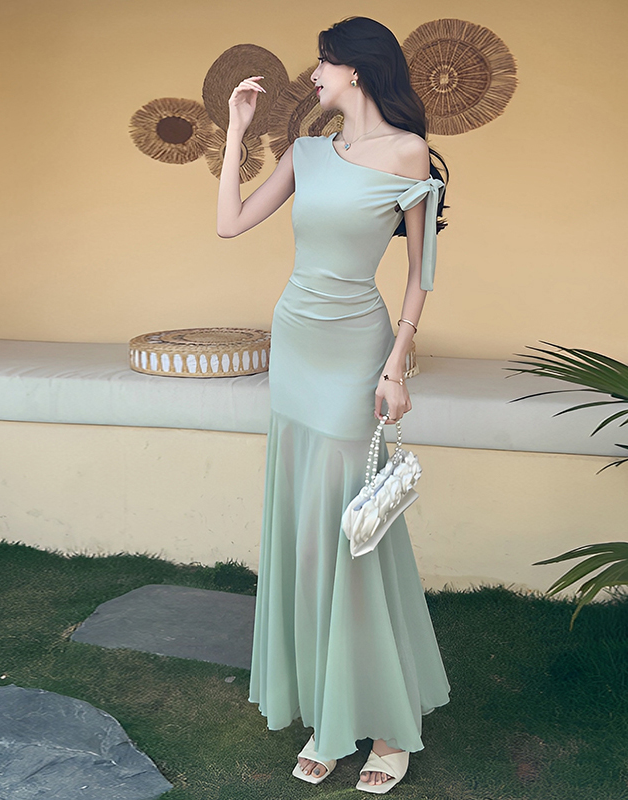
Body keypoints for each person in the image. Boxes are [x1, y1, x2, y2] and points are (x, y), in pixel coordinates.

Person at [216, 16, 450, 794]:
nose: (313, 73)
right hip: (297, 347)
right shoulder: (307, 153)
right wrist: (235, 132)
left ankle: (387, 728)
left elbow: (420, 274)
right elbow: (229, 223)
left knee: (356, 535)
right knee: (310, 539)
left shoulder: (408, 153)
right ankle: (329, 711)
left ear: (356, 69)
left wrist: (396, 366)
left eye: (323, 61)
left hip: (356, 352)